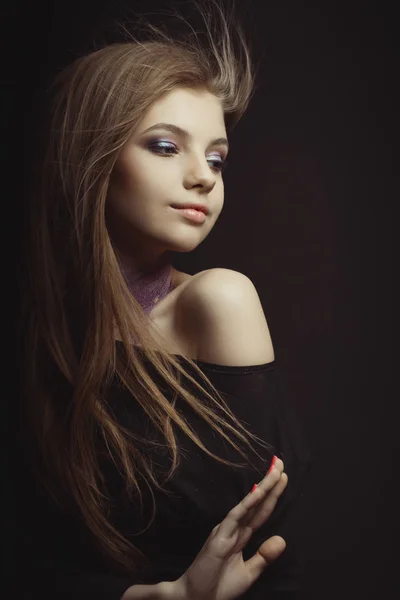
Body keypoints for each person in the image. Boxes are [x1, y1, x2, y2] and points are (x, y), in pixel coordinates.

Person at [16, 1, 312, 598]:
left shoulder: (218, 301)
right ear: (92, 161)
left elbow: (263, 551)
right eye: (164, 146)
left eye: (216, 157)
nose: (205, 176)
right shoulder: (37, 332)